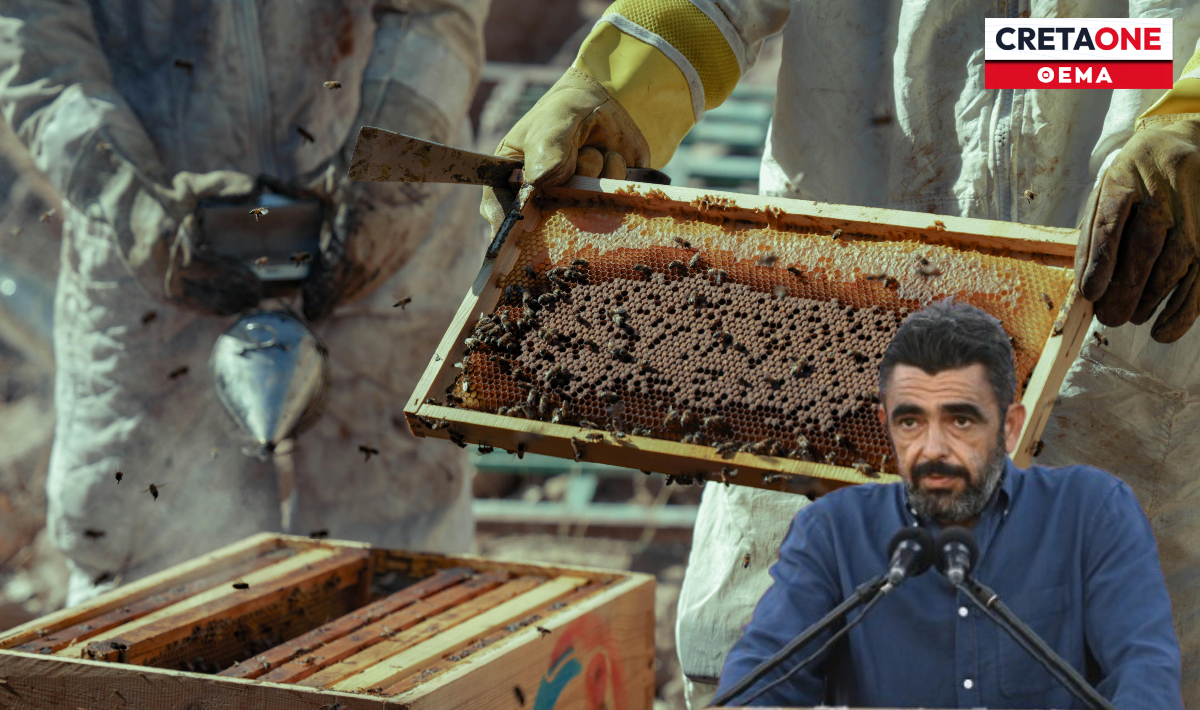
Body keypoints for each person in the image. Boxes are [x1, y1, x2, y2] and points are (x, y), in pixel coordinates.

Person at [477, 1, 1200, 707]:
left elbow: (1076, 51)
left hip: (1108, 335)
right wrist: (615, 89)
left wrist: (1190, 113)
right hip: (822, 315)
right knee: (767, 657)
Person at [0, 0, 489, 605]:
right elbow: (35, 35)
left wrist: (394, 166)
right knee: (151, 565)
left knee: (401, 552)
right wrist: (127, 194)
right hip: (155, 228)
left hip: (382, 208)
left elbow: (437, 13)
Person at [716, 300, 1182, 708]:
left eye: (960, 420)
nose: (933, 448)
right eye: (911, 422)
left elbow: (1145, 674)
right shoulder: (832, 532)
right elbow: (761, 681)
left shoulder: (1093, 512)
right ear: (886, 425)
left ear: (1010, 426)